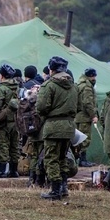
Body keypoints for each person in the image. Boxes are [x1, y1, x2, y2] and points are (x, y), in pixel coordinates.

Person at [36, 56, 78, 200]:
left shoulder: (49, 85)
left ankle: (55, 190)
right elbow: (78, 106)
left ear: (51, 69)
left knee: (51, 158)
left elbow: (41, 107)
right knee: (63, 157)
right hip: (69, 126)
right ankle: (64, 187)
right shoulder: (73, 86)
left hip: (53, 126)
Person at [0, 64, 21, 178]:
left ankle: (2, 169)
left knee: (3, 144)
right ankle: (14, 170)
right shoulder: (17, 87)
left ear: (1, 75)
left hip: (4, 122)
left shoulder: (1, 88)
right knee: (15, 145)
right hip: (16, 121)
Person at [75, 68, 98, 167]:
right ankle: (82, 160)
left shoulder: (80, 85)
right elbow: (87, 103)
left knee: (79, 139)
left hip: (78, 116)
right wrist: (93, 115)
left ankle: (79, 159)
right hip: (84, 117)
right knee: (85, 139)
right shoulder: (87, 87)